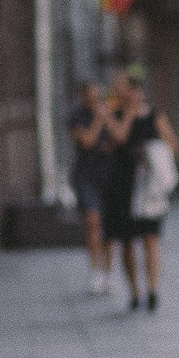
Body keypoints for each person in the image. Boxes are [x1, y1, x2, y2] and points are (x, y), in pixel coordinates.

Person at [102, 71, 179, 311]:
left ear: (134, 89)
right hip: (122, 184)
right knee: (127, 240)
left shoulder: (155, 115)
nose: (117, 91)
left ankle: (152, 290)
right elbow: (119, 138)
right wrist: (128, 114)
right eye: (116, 87)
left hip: (149, 186)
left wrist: (154, 150)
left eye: (122, 86)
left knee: (150, 238)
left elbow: (173, 146)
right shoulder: (113, 114)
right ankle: (134, 291)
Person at [68, 82, 115, 295]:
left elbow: (118, 139)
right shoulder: (77, 117)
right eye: (90, 97)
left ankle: (108, 271)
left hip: (108, 175)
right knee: (92, 220)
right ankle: (95, 270)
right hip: (86, 176)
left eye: (97, 97)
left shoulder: (110, 113)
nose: (94, 101)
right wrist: (99, 120)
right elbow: (86, 141)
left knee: (109, 226)